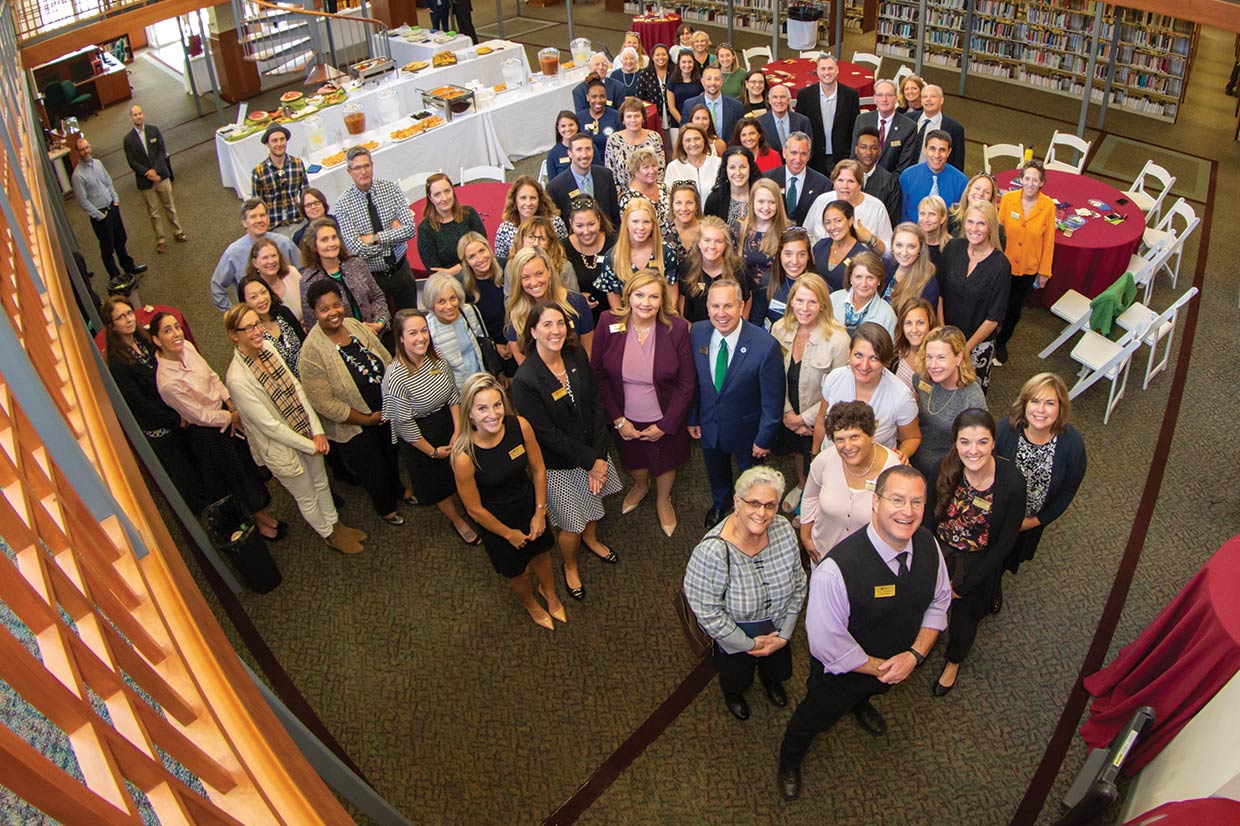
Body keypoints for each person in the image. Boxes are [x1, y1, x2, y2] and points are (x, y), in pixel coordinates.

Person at [777, 464, 951, 801]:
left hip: (896, 663)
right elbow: (829, 644)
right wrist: (884, 667)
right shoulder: (835, 571)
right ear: (875, 502)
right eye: (897, 500)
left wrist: (913, 656)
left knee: (869, 693)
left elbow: (940, 601)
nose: (908, 512)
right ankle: (789, 758)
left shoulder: (928, 543)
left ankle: (860, 704)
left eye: (917, 502)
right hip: (843, 673)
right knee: (813, 718)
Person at [224, 305, 365, 554]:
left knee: (321, 483)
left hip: (306, 431)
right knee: (307, 495)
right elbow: (269, 426)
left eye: (258, 324)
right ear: (234, 334)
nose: (258, 331)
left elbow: (297, 387)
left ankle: (336, 524)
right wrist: (310, 444)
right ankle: (328, 533)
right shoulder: (237, 379)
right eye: (249, 327)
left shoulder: (267, 348)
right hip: (283, 447)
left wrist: (316, 430)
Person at [512, 301, 621, 600]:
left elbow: (596, 404)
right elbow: (547, 435)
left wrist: (599, 455)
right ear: (533, 331)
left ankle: (592, 539)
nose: (556, 330)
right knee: (572, 524)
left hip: (592, 451)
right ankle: (570, 565)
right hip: (561, 465)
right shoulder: (525, 380)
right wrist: (591, 462)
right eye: (547, 325)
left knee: (595, 505)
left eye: (560, 323)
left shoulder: (574, 355)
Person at [685, 466, 807, 720]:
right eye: (754, 503)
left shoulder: (783, 529)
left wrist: (783, 636)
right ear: (737, 503)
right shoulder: (711, 552)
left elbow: (798, 581)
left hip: (778, 628)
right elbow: (707, 611)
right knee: (736, 676)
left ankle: (771, 681)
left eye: (770, 505)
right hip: (735, 639)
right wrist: (748, 644)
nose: (762, 513)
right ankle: (734, 693)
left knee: (776, 668)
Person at [150, 312, 283, 538]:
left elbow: (211, 376)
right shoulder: (167, 382)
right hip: (208, 433)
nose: (176, 334)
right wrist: (230, 417)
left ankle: (260, 511)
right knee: (234, 477)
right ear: (156, 339)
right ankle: (258, 520)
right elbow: (199, 415)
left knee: (248, 466)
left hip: (225, 412)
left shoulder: (188, 348)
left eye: (177, 327)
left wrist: (231, 405)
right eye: (167, 330)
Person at [451, 373, 562, 629]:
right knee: (518, 573)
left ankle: (550, 593)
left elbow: (538, 469)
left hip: (529, 505)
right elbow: (474, 510)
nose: (493, 414)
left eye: (497, 404)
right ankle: (531, 603)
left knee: (542, 555)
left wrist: (540, 512)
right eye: (482, 408)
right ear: (470, 414)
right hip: (496, 523)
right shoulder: (464, 457)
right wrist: (508, 534)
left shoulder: (519, 426)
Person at [590, 271, 694, 536]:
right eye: (639, 295)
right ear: (628, 296)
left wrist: (666, 424)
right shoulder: (607, 322)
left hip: (665, 415)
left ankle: (663, 499)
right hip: (624, 417)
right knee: (633, 460)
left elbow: (686, 383)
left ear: (663, 300)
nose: (646, 302)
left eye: (653, 296)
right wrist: (618, 420)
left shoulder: (677, 328)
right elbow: (598, 375)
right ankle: (640, 485)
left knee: (666, 461)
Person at [930, 408, 1025, 696]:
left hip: (978, 562)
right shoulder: (942, 469)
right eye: (965, 442)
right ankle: (927, 639)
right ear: (955, 443)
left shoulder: (1012, 482)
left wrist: (964, 586)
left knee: (963, 621)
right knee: (929, 607)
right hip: (940, 552)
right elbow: (926, 523)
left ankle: (953, 662)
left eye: (982, 442)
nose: (973, 451)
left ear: (994, 442)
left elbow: (1006, 542)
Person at [299, 280, 405, 525]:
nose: (333, 312)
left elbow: (384, 356)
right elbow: (324, 403)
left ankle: (398, 489)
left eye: (336, 305)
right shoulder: (312, 351)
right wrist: (366, 419)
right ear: (314, 313)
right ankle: (385, 507)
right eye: (324, 309)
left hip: (384, 409)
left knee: (391, 453)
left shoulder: (354, 325)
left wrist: (392, 397)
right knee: (372, 467)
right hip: (353, 423)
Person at [688, 279, 783, 526]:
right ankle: (721, 504)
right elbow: (696, 382)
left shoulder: (765, 346)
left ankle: (748, 513)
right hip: (710, 424)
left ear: (741, 306)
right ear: (707, 307)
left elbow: (773, 401)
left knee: (752, 479)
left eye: (728, 306)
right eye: (715, 306)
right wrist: (694, 417)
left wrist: (764, 438)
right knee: (716, 471)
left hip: (748, 433)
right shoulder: (697, 332)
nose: (721, 314)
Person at [381, 308, 479, 543]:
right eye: (413, 333)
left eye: (424, 330)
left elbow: (453, 397)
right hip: (420, 438)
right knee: (438, 485)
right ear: (401, 338)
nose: (421, 337)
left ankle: (473, 506)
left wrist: (457, 431)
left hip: (448, 423)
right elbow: (404, 425)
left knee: (464, 471)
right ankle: (458, 520)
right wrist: (433, 452)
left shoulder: (437, 359)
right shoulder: (394, 377)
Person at [994, 373, 1086, 613]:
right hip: (993, 516)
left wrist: (1029, 523)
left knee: (1008, 558)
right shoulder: (1004, 430)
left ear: (1061, 408)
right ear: (1024, 404)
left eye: (1050, 403)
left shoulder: (1072, 445)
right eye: (1035, 401)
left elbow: (1066, 493)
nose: (1041, 410)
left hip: (1029, 523)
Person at [103, 295, 204, 512]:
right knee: (183, 473)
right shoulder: (118, 363)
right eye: (121, 317)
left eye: (129, 313)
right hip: (161, 426)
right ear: (112, 326)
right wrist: (175, 418)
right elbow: (138, 404)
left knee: (197, 459)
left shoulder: (145, 339)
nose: (128, 320)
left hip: (176, 409)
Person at [771, 273, 850, 501]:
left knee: (817, 457)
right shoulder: (779, 329)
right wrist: (787, 414)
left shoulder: (838, 340)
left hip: (819, 416)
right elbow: (773, 376)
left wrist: (804, 419)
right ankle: (802, 485)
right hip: (788, 410)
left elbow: (839, 392)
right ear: (791, 301)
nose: (804, 308)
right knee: (798, 451)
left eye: (812, 302)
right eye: (799, 300)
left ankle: (815, 497)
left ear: (823, 305)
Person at [800, 400, 904, 563]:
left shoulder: (894, 470)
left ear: (871, 435)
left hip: (871, 560)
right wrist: (806, 537)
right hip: (826, 554)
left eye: (854, 437)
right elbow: (809, 497)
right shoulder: (824, 461)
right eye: (840, 439)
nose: (847, 447)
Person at [812, 322, 919, 459]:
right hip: (831, 460)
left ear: (885, 361)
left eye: (874, 358)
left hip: (873, 468)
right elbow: (821, 420)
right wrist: (814, 455)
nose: (864, 365)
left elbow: (912, 437)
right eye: (858, 355)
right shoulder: (834, 378)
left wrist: (902, 454)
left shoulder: (901, 396)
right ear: (849, 352)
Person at [332, 147, 419, 314]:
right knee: (384, 327)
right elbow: (357, 250)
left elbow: (409, 230)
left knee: (412, 319)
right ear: (349, 171)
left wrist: (375, 237)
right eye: (357, 168)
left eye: (367, 166)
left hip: (401, 270)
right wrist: (394, 236)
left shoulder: (391, 189)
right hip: (372, 278)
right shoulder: (343, 205)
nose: (363, 172)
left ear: (372, 165)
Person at [938, 201, 1010, 392]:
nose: (974, 229)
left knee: (967, 395)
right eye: (970, 222)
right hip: (946, 335)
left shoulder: (1000, 266)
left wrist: (964, 349)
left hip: (976, 344)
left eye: (981, 224)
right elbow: (941, 294)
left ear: (991, 228)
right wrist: (943, 333)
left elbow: (993, 318)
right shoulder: (953, 247)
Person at [996, 159, 1056, 366]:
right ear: (1020, 179)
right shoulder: (1008, 199)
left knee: (1014, 309)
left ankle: (1002, 342)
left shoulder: (1048, 206)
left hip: (1028, 267)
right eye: (1027, 178)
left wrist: (1044, 271)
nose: (1030, 183)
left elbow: (1049, 241)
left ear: (1042, 183)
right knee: (996, 303)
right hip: (1004, 264)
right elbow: (998, 231)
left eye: (1035, 180)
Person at [911, 326, 987, 489]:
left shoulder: (971, 398)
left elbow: (978, 448)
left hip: (946, 474)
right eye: (929, 357)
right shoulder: (921, 378)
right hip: (914, 461)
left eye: (941, 357)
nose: (933, 365)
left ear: (959, 357)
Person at [71, 136, 147, 291]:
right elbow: (83, 201)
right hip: (101, 215)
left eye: (87, 147)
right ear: (77, 152)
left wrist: (115, 199)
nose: (86, 151)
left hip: (112, 207)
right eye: (82, 149)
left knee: (121, 239)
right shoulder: (78, 176)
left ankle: (128, 266)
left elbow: (108, 181)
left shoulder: (98, 164)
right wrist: (100, 215)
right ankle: (115, 276)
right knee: (107, 248)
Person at [297, 216, 388, 337]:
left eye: (334, 238)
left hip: (375, 335)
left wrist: (379, 322)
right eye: (324, 240)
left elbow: (377, 297)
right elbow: (313, 325)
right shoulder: (309, 280)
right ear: (314, 245)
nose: (331, 243)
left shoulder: (355, 262)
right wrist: (356, 333)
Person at [504, 246, 595, 363]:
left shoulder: (576, 302)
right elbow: (524, 367)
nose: (534, 282)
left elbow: (588, 352)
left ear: (549, 271)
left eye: (539, 274)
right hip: (538, 380)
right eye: (526, 277)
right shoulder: (516, 315)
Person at [211, 198, 301, 311]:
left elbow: (304, 270)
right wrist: (235, 314)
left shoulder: (284, 243)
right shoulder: (233, 253)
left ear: (268, 218)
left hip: (292, 307)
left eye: (262, 215)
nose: (259, 220)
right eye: (253, 217)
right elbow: (217, 286)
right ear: (244, 222)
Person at [595, 198, 679, 311]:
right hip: (628, 319)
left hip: (660, 317)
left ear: (653, 224)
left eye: (646, 222)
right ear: (626, 223)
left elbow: (671, 297)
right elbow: (615, 303)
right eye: (635, 221)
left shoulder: (666, 252)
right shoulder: (612, 257)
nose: (641, 227)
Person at [122, 104, 185, 253]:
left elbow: (162, 151)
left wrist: (155, 170)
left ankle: (178, 232)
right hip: (145, 181)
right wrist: (148, 173)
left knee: (169, 205)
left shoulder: (154, 130)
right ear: (131, 118)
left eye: (140, 114)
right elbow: (132, 162)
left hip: (161, 176)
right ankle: (161, 239)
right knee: (153, 212)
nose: (138, 116)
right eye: (135, 115)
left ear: (143, 115)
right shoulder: (128, 139)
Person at [805, 160, 892, 254]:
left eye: (851, 181)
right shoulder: (821, 201)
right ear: (834, 182)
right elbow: (806, 234)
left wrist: (871, 239)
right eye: (840, 180)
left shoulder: (876, 207)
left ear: (860, 184)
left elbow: (889, 252)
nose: (845, 186)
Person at [795, 56, 861, 176]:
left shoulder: (851, 96)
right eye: (823, 69)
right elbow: (800, 129)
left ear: (837, 70)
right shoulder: (805, 95)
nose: (827, 72)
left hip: (842, 158)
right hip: (813, 158)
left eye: (830, 68)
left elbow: (854, 128)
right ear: (817, 71)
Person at [418, 272, 485, 389]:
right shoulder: (426, 327)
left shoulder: (468, 311)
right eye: (441, 301)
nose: (449, 306)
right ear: (431, 304)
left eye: (452, 298)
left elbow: (483, 340)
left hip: (481, 381)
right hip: (455, 393)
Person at [679, 215, 749, 323]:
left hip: (728, 329)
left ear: (726, 244)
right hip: (695, 330)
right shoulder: (687, 267)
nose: (712, 246)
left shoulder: (737, 269)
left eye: (718, 241)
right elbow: (682, 304)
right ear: (698, 242)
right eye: (707, 240)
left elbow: (746, 299)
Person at [737, 178, 789, 323]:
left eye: (772, 202)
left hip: (774, 298)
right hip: (744, 297)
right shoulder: (739, 229)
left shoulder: (786, 232)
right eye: (761, 202)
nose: (766, 207)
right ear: (752, 202)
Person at [458, 232, 512, 368]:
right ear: (466, 263)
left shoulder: (508, 269)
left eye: (482, 250)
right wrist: (494, 345)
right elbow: (473, 330)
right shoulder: (465, 290)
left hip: (518, 339)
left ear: (489, 249)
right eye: (472, 256)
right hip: (490, 352)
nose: (480, 258)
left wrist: (514, 341)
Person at [546, 132, 621, 228]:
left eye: (588, 149)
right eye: (579, 150)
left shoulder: (606, 176)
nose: (584, 155)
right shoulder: (555, 187)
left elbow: (615, 216)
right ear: (570, 153)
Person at [417, 173, 485, 276]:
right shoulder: (425, 228)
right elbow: (435, 271)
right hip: (450, 282)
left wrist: (454, 270)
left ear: (453, 191)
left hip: (478, 273)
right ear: (430, 198)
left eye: (447, 191)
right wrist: (464, 267)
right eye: (437, 195)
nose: (444, 198)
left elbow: (484, 249)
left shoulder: (469, 214)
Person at [563, 196, 616, 324]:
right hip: (580, 320)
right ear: (571, 224)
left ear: (599, 220)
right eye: (579, 226)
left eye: (591, 224)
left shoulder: (615, 242)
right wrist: (576, 299)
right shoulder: (562, 249)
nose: (586, 231)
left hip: (614, 317)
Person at [238, 275, 306, 375]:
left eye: (263, 292)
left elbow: (305, 343)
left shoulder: (283, 312)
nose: (261, 299)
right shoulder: (252, 332)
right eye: (254, 297)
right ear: (245, 303)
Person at [898, 131, 969, 224]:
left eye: (942, 150)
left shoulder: (961, 182)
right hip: (912, 233)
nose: (937, 155)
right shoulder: (908, 176)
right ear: (925, 149)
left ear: (949, 152)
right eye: (932, 149)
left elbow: (960, 219)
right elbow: (901, 214)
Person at [250, 123, 307, 237]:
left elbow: (305, 194)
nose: (279, 144)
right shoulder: (259, 172)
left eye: (282, 139)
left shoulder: (297, 164)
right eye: (274, 141)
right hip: (274, 227)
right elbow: (256, 206)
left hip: (298, 222)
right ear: (267, 144)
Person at [763, 132, 830, 227]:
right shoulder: (768, 179)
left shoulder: (823, 184)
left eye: (803, 154)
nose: (798, 159)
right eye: (793, 153)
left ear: (809, 155)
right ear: (784, 152)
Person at [494, 175, 569, 261]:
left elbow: (564, 253)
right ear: (515, 200)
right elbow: (501, 262)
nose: (528, 203)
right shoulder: (505, 229)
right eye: (523, 198)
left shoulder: (555, 223)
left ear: (540, 200)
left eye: (533, 198)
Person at [851, 79, 917, 173]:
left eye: (889, 95)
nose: (884, 99)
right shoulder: (862, 120)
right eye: (880, 95)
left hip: (891, 183)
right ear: (875, 98)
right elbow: (854, 156)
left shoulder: (908, 127)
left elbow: (903, 167)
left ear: (896, 99)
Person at [830, 252, 898, 337]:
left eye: (870, 278)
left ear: (879, 280)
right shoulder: (832, 300)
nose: (864, 284)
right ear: (850, 278)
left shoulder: (887, 315)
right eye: (858, 277)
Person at [605, 98, 666, 191]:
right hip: (623, 196)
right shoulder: (614, 140)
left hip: (651, 193)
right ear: (623, 119)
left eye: (637, 116)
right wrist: (621, 196)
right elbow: (610, 172)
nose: (633, 120)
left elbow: (660, 169)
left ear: (643, 118)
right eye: (629, 116)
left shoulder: (654, 137)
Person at [812, 199, 871, 292]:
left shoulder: (863, 255)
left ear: (850, 220)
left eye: (838, 221)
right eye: (827, 222)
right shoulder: (820, 246)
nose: (832, 227)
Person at [883, 222, 941, 316]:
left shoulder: (928, 284)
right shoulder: (887, 266)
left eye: (911, 247)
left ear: (920, 249)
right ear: (892, 246)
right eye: (899, 245)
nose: (904, 252)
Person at [763, 227, 815, 328]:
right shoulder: (767, 282)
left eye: (801, 254)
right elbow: (756, 321)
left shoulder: (821, 287)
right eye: (788, 254)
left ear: (809, 256)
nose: (794, 261)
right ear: (780, 255)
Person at [512, 216, 579, 292]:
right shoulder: (511, 265)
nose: (536, 243)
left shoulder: (565, 267)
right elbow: (510, 300)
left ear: (549, 243)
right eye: (531, 237)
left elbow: (575, 299)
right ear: (521, 239)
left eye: (542, 238)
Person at [244, 236, 303, 322]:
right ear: (255, 263)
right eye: (265, 257)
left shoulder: (292, 273)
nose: (271, 261)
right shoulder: (251, 287)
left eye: (274, 256)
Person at [853, 126, 902, 228]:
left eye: (874, 148)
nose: (868, 152)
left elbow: (892, 220)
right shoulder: (845, 177)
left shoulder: (889, 181)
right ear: (856, 149)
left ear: (880, 151)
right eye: (863, 147)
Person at [683, 66, 744, 148]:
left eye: (717, 79)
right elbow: (684, 134)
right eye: (709, 79)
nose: (713, 83)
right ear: (702, 81)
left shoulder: (736, 106)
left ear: (721, 82)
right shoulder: (689, 105)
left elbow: (740, 134)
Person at [912, 85, 966, 171]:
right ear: (921, 101)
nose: (928, 99)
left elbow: (957, 163)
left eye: (933, 96)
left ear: (942, 100)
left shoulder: (955, 129)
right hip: (906, 175)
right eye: (925, 96)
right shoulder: (908, 119)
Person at [617, 148, 672, 233]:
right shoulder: (628, 199)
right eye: (645, 167)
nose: (652, 171)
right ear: (635, 171)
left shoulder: (664, 188)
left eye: (654, 165)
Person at [890, 295, 935, 392]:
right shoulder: (893, 356)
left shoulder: (937, 358)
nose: (914, 330)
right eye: (908, 323)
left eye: (920, 323)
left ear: (930, 324)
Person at [704, 145, 757, 227]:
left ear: (751, 168)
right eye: (732, 167)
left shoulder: (762, 195)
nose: (738, 172)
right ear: (725, 170)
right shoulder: (715, 199)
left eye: (743, 167)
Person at [664, 124, 722, 195]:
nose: (693, 144)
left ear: (704, 140)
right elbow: (668, 197)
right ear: (682, 143)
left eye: (697, 139)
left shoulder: (718, 163)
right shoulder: (673, 167)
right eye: (688, 140)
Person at [758, 84, 811, 155]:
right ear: (769, 100)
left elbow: (809, 150)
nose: (779, 101)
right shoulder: (759, 123)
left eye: (783, 97)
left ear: (789, 100)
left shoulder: (802, 121)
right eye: (775, 97)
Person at [576, 77, 622, 158]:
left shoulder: (617, 117)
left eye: (602, 96)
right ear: (587, 97)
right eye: (594, 97)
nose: (598, 100)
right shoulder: (579, 119)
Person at [946, 172, 1001, 237]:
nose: (981, 194)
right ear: (968, 190)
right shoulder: (952, 214)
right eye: (977, 188)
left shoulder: (996, 228)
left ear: (991, 199)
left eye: (987, 192)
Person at [634, 44, 673, 126]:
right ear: (652, 57)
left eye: (664, 54)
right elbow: (639, 98)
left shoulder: (676, 72)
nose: (661, 57)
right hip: (653, 117)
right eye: (657, 55)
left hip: (674, 116)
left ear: (668, 56)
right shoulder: (644, 74)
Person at [665, 181, 703, 263]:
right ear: (672, 205)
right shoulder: (662, 231)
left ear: (697, 205)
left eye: (689, 203)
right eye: (678, 203)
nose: (684, 208)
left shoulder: (707, 229)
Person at [665, 50, 703, 131]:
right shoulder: (672, 81)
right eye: (684, 62)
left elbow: (702, 104)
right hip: (677, 124)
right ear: (679, 63)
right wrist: (683, 123)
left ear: (694, 63)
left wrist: (693, 124)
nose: (687, 65)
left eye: (690, 62)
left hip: (697, 123)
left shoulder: (700, 81)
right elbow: (671, 107)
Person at [918, 194, 951, 273]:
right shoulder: (913, 243)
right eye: (922, 213)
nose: (926, 219)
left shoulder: (952, 246)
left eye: (932, 214)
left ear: (942, 218)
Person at [545, 111, 581, 182]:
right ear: (558, 128)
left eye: (571, 125)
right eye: (563, 126)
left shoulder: (589, 146)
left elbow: (598, 172)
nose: (567, 129)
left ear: (577, 126)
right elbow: (552, 184)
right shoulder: (553, 154)